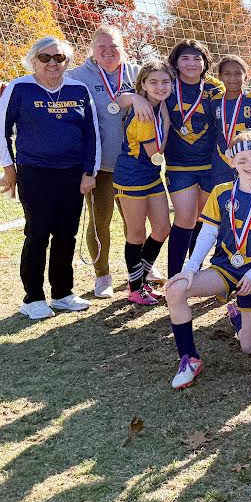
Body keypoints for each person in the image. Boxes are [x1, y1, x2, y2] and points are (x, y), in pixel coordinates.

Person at [163, 130, 251, 390]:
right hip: (225, 269)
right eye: (243, 159)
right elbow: (208, 233)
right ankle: (189, 359)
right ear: (231, 161)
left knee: (248, 348)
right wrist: (191, 268)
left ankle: (237, 314)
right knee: (175, 288)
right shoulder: (221, 192)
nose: (250, 165)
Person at [0, 36, 99, 319]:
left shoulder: (79, 89)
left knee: (67, 234)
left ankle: (62, 293)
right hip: (35, 172)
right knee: (38, 233)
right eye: (45, 58)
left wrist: (89, 172)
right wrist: (9, 167)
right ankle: (32, 298)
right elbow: (1, 129)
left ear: (67, 62)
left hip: (72, 173)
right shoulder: (19, 88)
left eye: (59, 58)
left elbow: (91, 134)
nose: (52, 63)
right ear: (33, 60)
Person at [67, 24, 153, 298]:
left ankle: (142, 269)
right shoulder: (76, 76)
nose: (108, 52)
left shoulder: (138, 73)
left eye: (113, 46)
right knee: (100, 222)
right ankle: (102, 275)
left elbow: (169, 83)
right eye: (101, 47)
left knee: (135, 222)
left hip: (134, 165)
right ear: (91, 49)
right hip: (100, 167)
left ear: (123, 47)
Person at [113, 59, 173, 305]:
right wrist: (167, 124)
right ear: (143, 85)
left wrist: (165, 116)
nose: (160, 87)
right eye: (153, 82)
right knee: (136, 233)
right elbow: (155, 154)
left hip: (150, 175)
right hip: (132, 176)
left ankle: (142, 279)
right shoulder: (145, 113)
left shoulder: (159, 105)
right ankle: (135, 287)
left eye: (165, 82)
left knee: (162, 228)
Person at [163, 40, 224, 277]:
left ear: (205, 63)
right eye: (185, 58)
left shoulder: (214, 88)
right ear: (176, 62)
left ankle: (192, 271)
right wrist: (132, 98)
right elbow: (142, 92)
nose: (191, 63)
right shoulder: (167, 86)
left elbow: (234, 102)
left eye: (197, 58)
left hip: (210, 165)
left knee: (202, 218)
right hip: (180, 165)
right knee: (185, 218)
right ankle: (174, 277)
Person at [211, 55, 251, 188]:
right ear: (220, 77)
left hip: (248, 159)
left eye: (237, 73)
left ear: (246, 76)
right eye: (227, 74)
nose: (232, 78)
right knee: (223, 193)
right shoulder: (215, 101)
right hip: (222, 158)